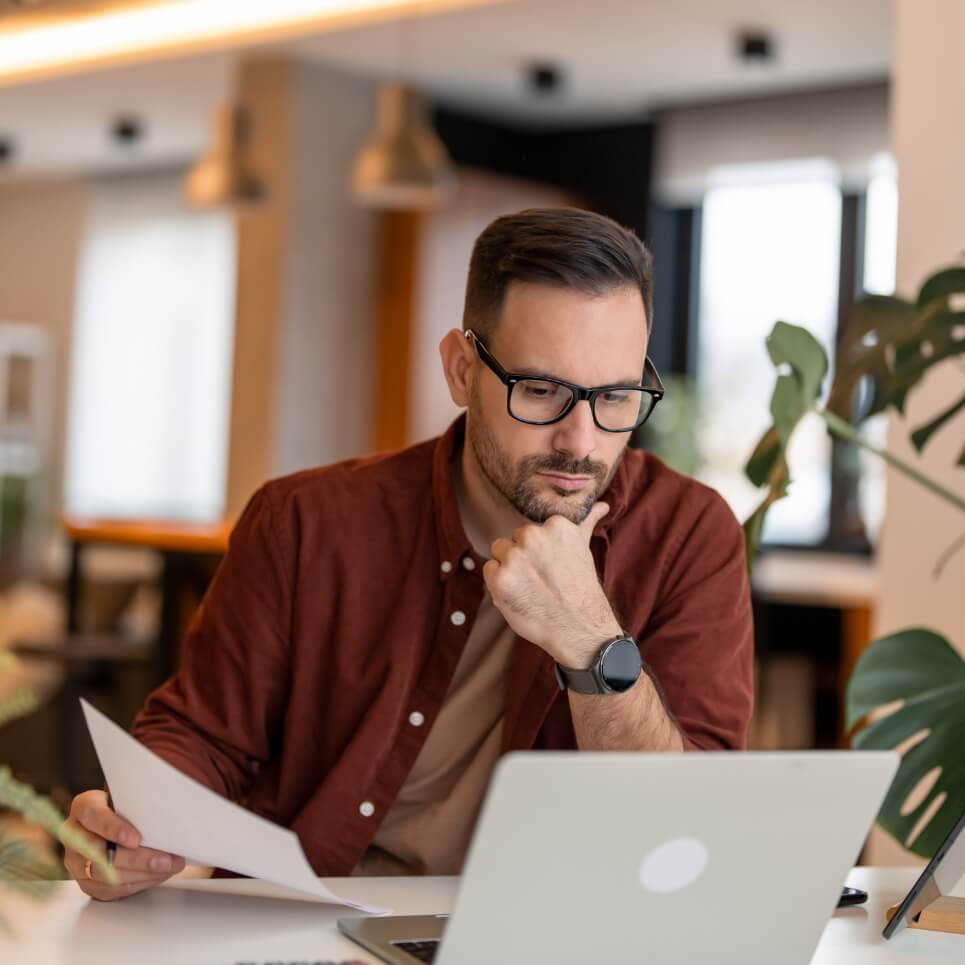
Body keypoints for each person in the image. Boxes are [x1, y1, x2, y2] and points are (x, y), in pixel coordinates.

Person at [63, 207, 754, 901]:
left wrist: (589, 639)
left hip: (541, 931)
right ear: (460, 369)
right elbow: (205, 734)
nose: (581, 441)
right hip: (305, 925)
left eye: (615, 396)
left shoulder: (689, 535)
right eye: (540, 391)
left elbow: (680, 833)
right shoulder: (305, 522)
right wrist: (135, 828)